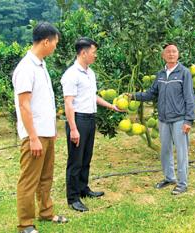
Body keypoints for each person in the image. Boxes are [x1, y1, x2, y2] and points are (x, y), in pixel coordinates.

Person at [12, 22, 68, 233]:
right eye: (55, 43)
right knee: (29, 180)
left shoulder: (41, 65)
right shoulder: (25, 68)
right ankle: (25, 223)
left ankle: (46, 212)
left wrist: (51, 131)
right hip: (34, 135)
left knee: (46, 177)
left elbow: (43, 103)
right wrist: (33, 137)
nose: (55, 47)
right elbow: (24, 106)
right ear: (46, 41)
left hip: (46, 133)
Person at [61, 37, 120, 212]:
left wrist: (111, 106)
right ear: (84, 53)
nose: (95, 56)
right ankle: (73, 198)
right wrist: (73, 128)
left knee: (86, 157)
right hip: (77, 119)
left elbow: (92, 96)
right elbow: (68, 103)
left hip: (89, 119)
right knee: (75, 160)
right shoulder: (71, 75)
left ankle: (83, 188)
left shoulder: (90, 73)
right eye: (94, 52)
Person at [129, 43, 195, 195]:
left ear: (178, 54)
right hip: (163, 119)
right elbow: (151, 94)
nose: (171, 54)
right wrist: (133, 96)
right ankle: (169, 177)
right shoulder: (160, 74)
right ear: (163, 56)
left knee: (181, 151)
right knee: (165, 150)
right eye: (168, 52)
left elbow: (189, 97)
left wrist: (188, 120)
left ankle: (182, 183)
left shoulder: (184, 73)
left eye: (174, 51)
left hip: (179, 119)